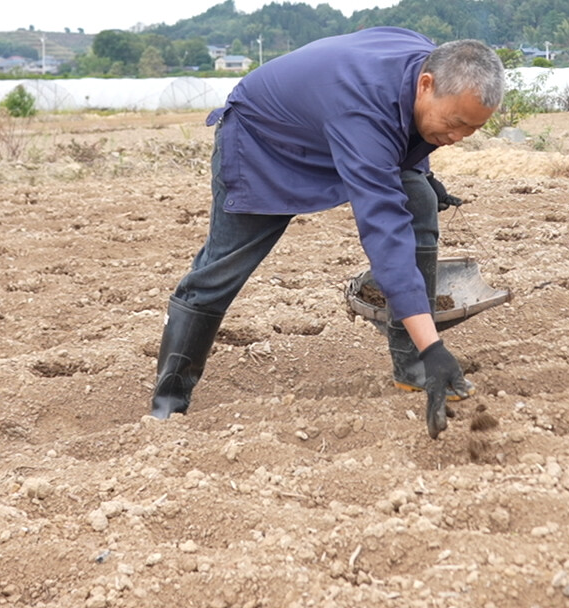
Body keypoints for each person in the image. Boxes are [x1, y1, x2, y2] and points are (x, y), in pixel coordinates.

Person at [148, 29, 503, 438]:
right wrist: (434, 347)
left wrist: (422, 168)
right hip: (265, 143)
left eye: (471, 131)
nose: (457, 139)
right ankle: (168, 402)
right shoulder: (363, 110)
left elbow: (404, 127)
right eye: (455, 124)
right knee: (223, 268)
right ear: (426, 85)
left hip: (332, 128)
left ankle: (413, 367)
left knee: (418, 199)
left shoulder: (434, 64)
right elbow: (385, 235)